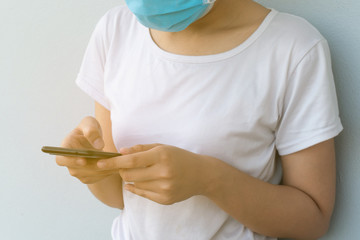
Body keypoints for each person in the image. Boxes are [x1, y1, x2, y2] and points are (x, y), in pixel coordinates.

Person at [56, 0, 343, 239]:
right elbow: (121, 198)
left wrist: (209, 180)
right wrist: (93, 168)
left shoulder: (294, 48)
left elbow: (312, 220)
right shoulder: (116, 30)